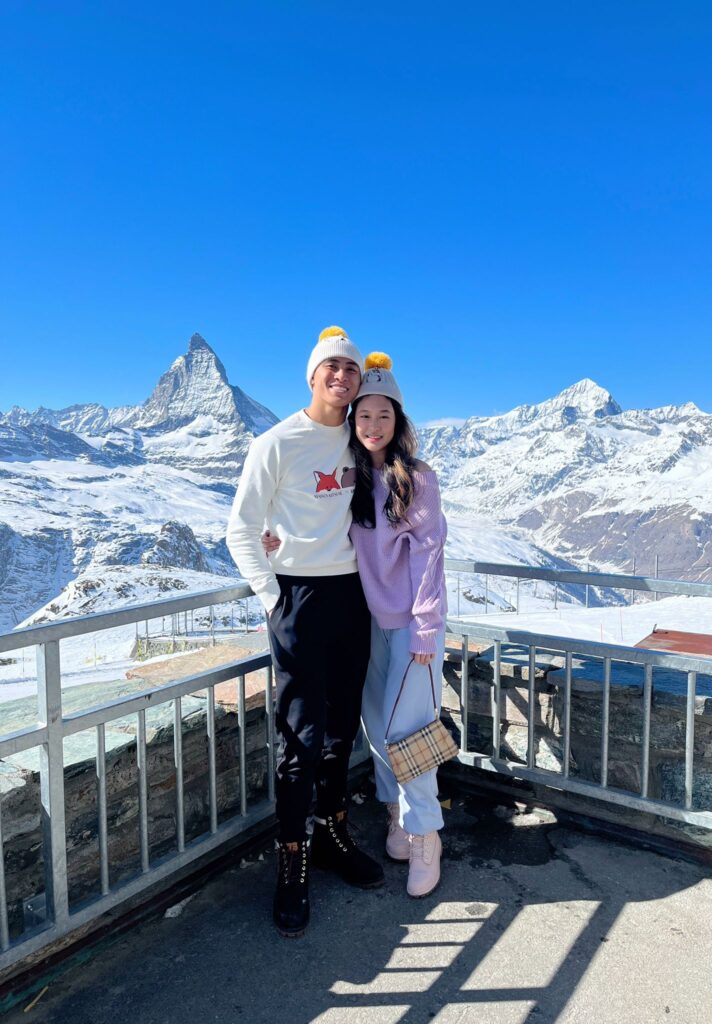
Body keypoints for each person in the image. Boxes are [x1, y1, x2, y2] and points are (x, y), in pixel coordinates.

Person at [264, 352, 448, 897]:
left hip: (414, 628)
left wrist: (424, 628)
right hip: (366, 622)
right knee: (376, 728)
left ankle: (425, 835)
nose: (371, 425)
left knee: (405, 733)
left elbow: (429, 556)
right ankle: (396, 815)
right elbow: (314, 522)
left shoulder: (416, 479)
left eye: (382, 416)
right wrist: (275, 542)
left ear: (399, 421)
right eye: (363, 416)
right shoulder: (349, 477)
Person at [226, 326, 384, 940]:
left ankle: (333, 835)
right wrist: (273, 599)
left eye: (350, 368)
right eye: (331, 368)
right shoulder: (277, 442)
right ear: (312, 377)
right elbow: (241, 529)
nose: (341, 376)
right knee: (300, 735)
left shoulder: (359, 436)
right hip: (298, 596)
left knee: (342, 727)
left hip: (352, 598)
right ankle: (292, 859)